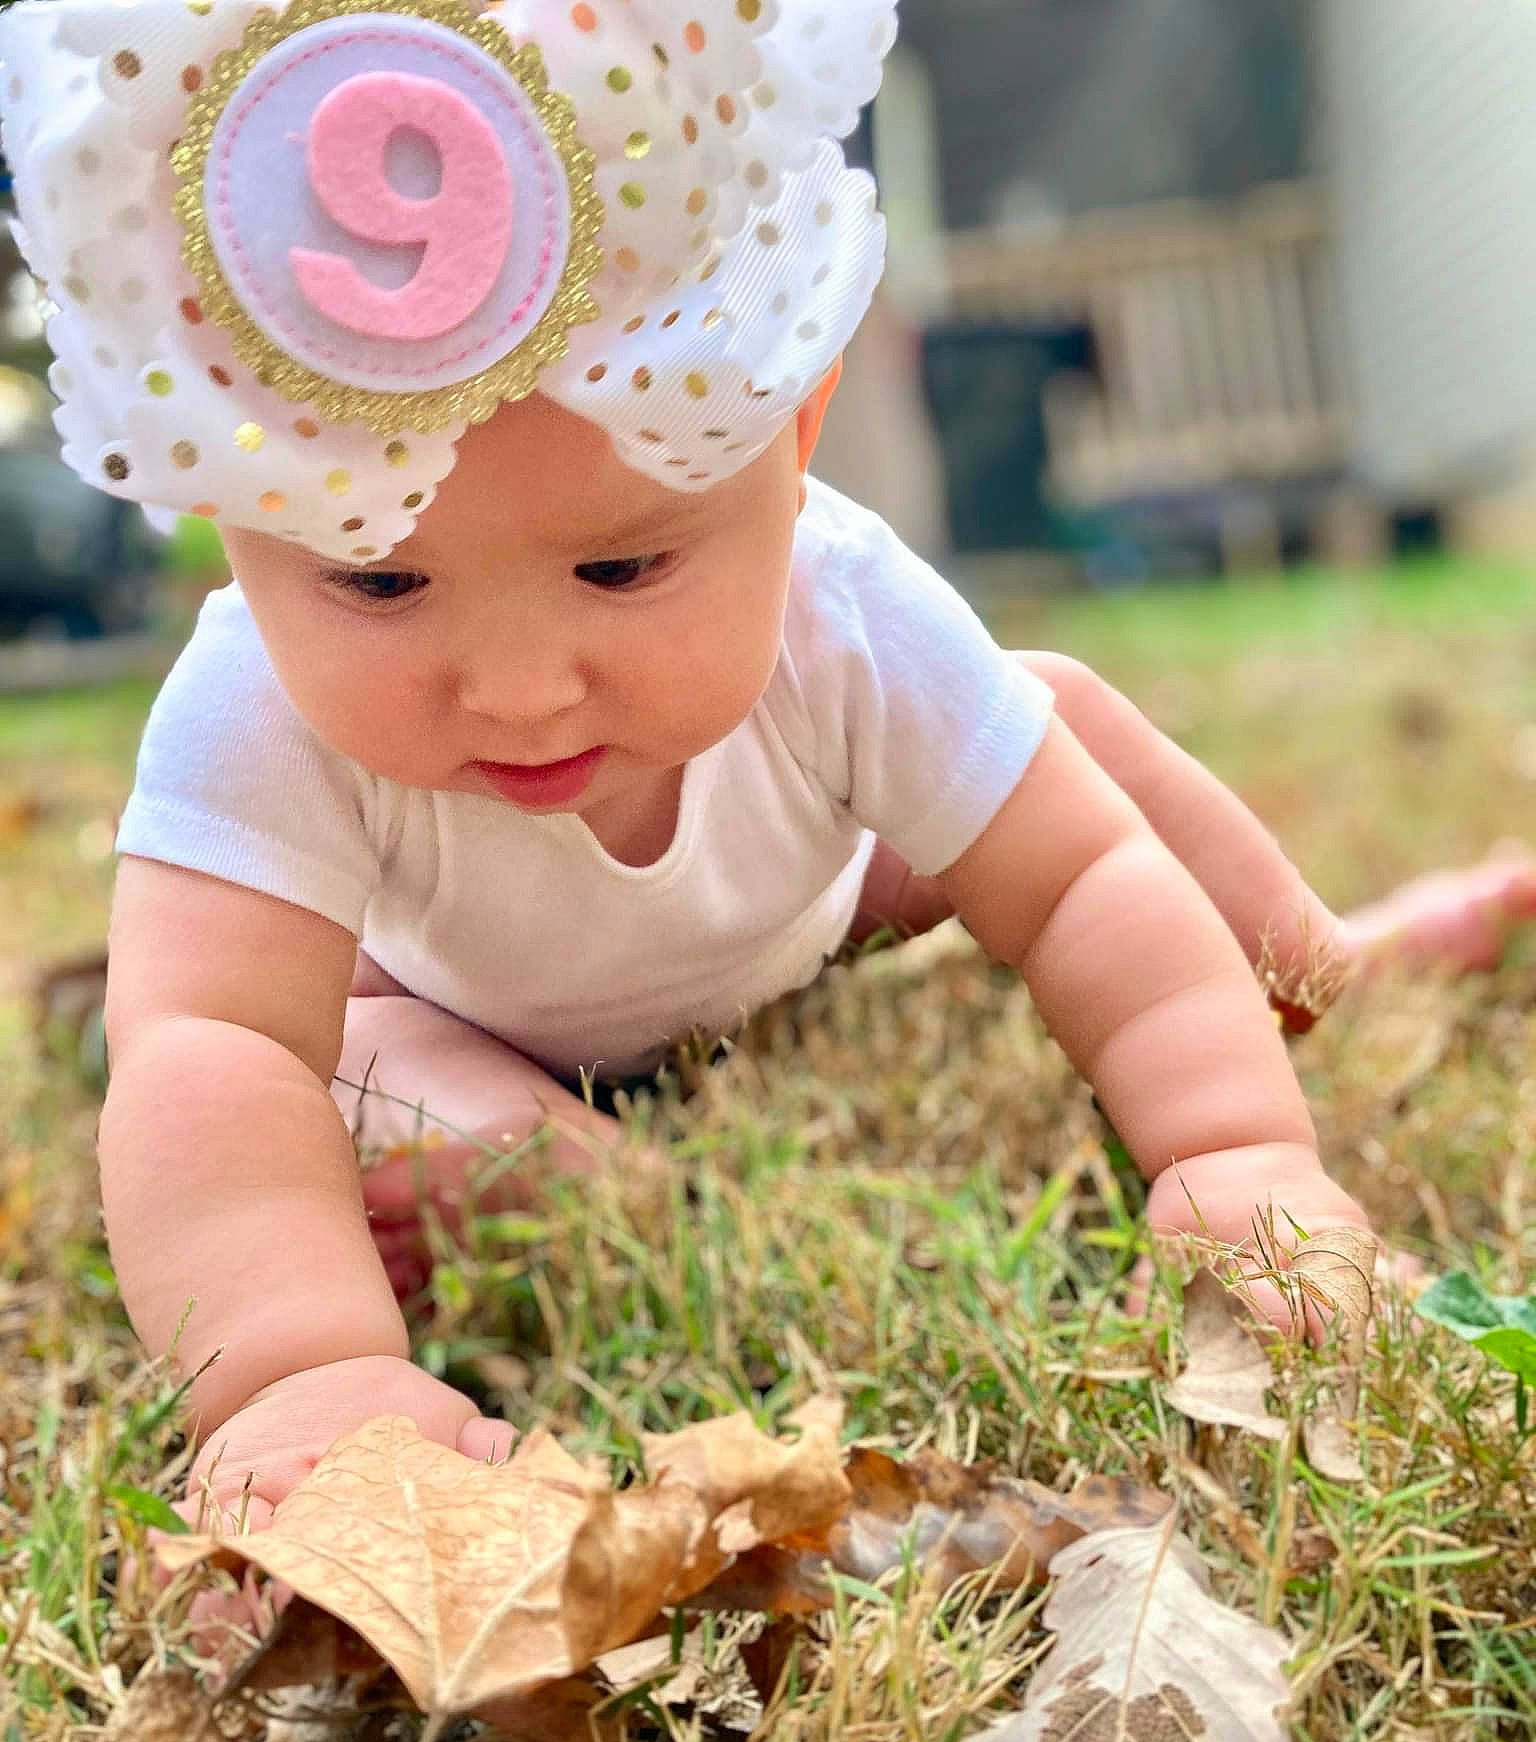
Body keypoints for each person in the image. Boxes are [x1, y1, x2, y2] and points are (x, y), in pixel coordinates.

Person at [2, 0, 1385, 1534]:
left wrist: (1230, 1151)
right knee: (391, 1092)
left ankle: (1318, 961)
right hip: (454, 1005)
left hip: (815, 896)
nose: (522, 693)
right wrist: (294, 1373)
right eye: (380, 586)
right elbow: (212, 1041)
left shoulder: (845, 616)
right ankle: (577, 1168)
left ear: (794, 437)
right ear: (224, 520)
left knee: (1053, 730)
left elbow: (1077, 883)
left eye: (624, 569)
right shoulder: (251, 706)